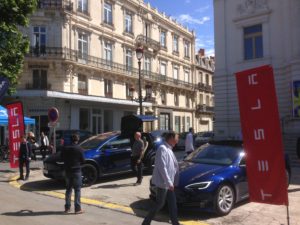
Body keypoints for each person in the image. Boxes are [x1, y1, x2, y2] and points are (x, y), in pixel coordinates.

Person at [142, 131, 180, 225]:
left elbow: (172, 166)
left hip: (168, 183)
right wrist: (169, 182)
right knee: (160, 204)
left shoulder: (169, 149)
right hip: (164, 183)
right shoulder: (162, 149)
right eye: (176, 138)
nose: (177, 141)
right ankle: (146, 222)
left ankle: (175, 222)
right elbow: (162, 167)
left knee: (172, 204)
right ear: (171, 138)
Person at [61, 134, 85, 214]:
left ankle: (67, 208)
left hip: (68, 171)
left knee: (68, 189)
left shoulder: (65, 148)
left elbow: (61, 158)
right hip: (77, 171)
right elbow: (83, 161)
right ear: (77, 140)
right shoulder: (80, 149)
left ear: (70, 140)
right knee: (77, 190)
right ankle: (77, 209)